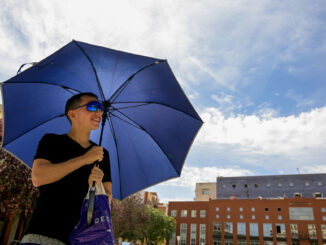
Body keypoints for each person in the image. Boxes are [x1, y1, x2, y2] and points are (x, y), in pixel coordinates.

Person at [21, 92, 112, 245]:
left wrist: (97, 185)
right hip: (42, 236)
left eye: (100, 108)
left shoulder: (102, 154)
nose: (99, 112)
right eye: (93, 106)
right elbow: (38, 177)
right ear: (72, 113)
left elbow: (107, 199)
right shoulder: (52, 141)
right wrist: (84, 159)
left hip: (81, 239)